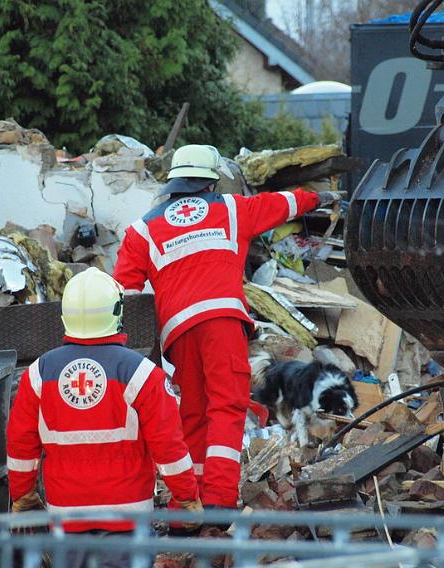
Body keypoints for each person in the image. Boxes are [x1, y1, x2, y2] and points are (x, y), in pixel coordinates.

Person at [113, 144, 342, 512]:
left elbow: (123, 292)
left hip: (177, 332)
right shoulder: (233, 209)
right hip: (221, 320)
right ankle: (218, 499)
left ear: (173, 182)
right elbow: (283, 203)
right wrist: (321, 197)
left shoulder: (142, 230)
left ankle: (188, 503)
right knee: (227, 407)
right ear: (212, 181)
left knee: (192, 412)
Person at [6, 267, 201, 568]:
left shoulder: (38, 373)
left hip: (67, 513)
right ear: (117, 313)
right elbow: (169, 445)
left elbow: (20, 444)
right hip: (126, 513)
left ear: (65, 316)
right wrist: (187, 497)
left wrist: (24, 494)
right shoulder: (141, 372)